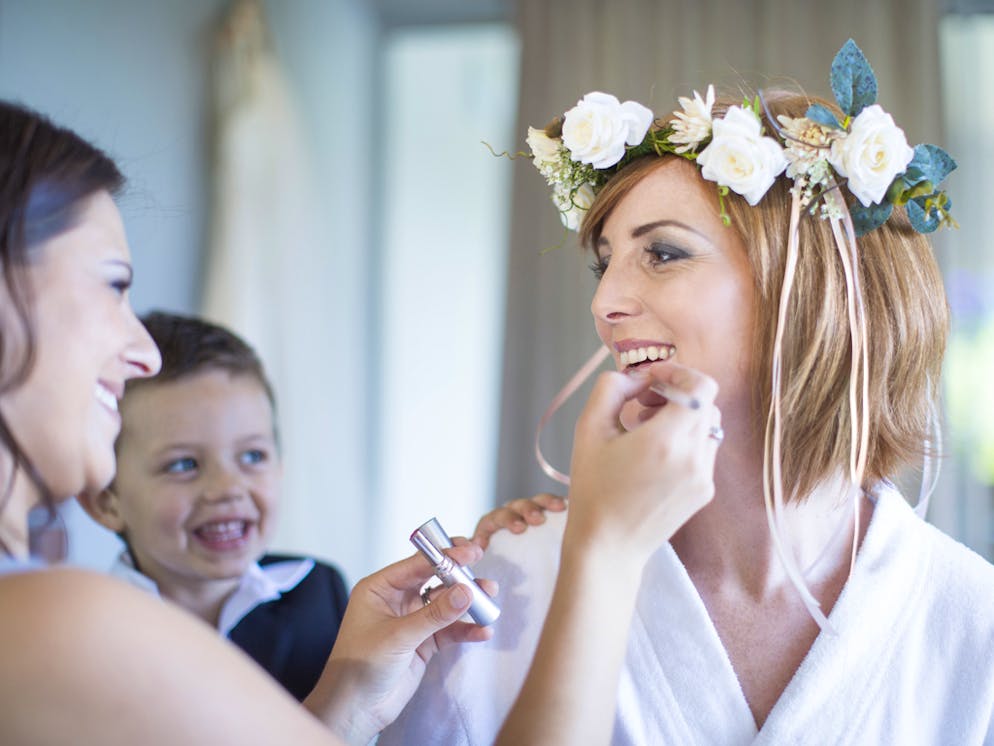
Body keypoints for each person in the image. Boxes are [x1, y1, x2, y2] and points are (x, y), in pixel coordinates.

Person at [0, 96, 672, 746]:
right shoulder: (54, 625)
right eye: (113, 285)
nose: (140, 351)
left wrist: (347, 698)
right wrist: (604, 551)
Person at [382, 41, 994, 745]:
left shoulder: (974, 625)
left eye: (664, 253)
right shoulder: (497, 593)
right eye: (603, 265)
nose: (605, 303)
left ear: (812, 288)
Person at [75, 309, 559, 702]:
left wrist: (497, 552)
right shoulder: (84, 639)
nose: (227, 487)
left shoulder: (318, 591)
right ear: (106, 501)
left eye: (252, 456)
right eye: (183, 465)